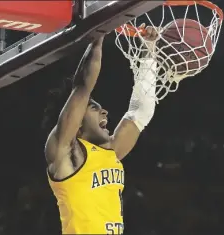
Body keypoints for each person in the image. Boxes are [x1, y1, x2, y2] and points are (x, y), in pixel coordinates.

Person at [45, 26, 159, 235]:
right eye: (94, 107)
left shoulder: (110, 152)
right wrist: (97, 36)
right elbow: (82, 86)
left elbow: (141, 112)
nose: (105, 111)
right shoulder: (67, 153)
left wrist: (149, 54)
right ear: (77, 121)